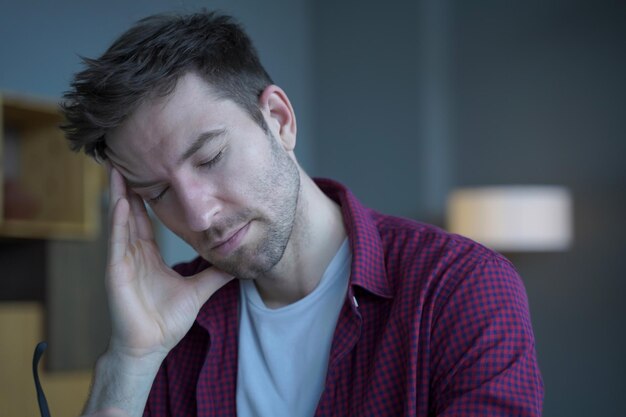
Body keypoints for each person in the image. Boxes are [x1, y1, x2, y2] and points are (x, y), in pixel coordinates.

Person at [62, 11, 543, 417]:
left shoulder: (460, 288)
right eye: (158, 191)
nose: (200, 215)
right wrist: (132, 358)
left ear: (279, 120)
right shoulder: (171, 325)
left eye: (210, 159)